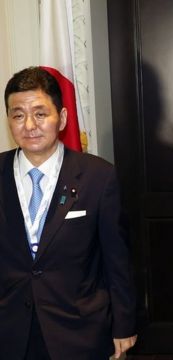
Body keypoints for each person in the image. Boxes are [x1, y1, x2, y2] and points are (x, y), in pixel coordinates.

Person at [0, 67, 137, 359]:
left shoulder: (98, 176)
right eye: (18, 115)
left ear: (61, 118)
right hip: (9, 331)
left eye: (40, 113)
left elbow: (116, 258)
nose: (29, 125)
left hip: (78, 329)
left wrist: (124, 324)